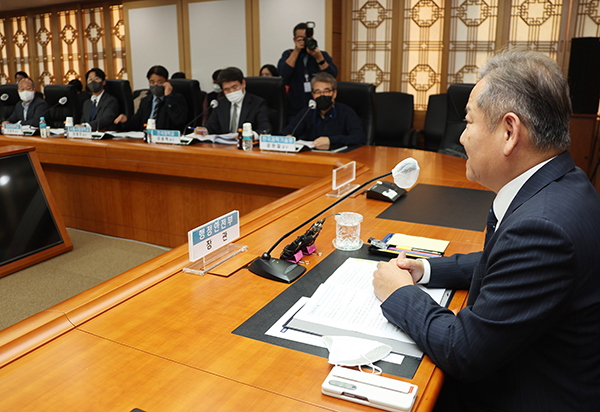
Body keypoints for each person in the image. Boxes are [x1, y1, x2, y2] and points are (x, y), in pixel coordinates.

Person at [372, 49, 600, 412]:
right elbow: (504, 259)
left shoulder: (543, 228)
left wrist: (398, 294)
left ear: (510, 132)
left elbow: (464, 351)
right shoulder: (565, 183)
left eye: (468, 122)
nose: (462, 138)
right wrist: (428, 269)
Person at [281, 72, 365, 150]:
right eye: (318, 92)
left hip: (339, 158)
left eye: (326, 91)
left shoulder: (346, 112)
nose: (322, 95)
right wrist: (288, 137)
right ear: (313, 95)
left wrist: (331, 141)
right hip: (312, 157)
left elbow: (359, 137)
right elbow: (287, 132)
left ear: (334, 93)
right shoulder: (307, 112)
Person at [278, 22, 338, 117]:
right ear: (294, 40)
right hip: (294, 108)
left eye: (307, 38)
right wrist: (296, 51)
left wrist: (319, 58)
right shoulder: (289, 54)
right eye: (301, 38)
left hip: (319, 107)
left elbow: (332, 75)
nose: (305, 41)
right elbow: (284, 73)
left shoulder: (321, 54)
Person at [195, 67, 271, 135]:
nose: (231, 92)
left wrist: (250, 135)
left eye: (234, 87)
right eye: (227, 89)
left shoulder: (257, 103)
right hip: (224, 147)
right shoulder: (220, 103)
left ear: (243, 84)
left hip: (247, 146)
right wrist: (204, 130)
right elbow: (211, 125)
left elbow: (265, 128)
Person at [114, 65, 187, 131]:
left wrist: (169, 97)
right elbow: (136, 123)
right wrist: (125, 120)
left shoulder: (177, 98)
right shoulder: (146, 101)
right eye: (152, 82)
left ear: (167, 82)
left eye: (160, 82)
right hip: (147, 139)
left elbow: (179, 121)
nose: (156, 85)